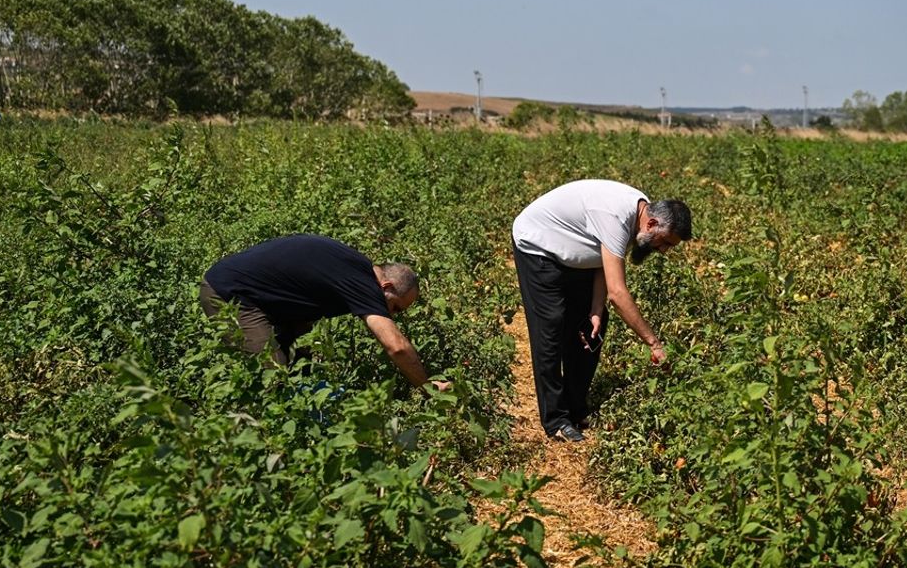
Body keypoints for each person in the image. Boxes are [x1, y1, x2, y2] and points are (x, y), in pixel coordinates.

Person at [511, 180, 692, 442]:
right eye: (665, 243)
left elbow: (602, 256)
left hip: (575, 254)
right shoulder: (616, 217)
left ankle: (576, 407)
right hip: (539, 246)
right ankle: (556, 420)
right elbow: (618, 294)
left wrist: (596, 307)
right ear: (652, 224)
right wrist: (653, 343)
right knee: (550, 327)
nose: (663, 251)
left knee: (593, 325)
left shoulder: (641, 215)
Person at [200, 234, 449, 391]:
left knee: (301, 368)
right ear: (387, 286)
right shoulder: (364, 283)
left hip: (267, 300)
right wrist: (428, 388)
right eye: (395, 307)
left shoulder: (358, 270)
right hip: (231, 293)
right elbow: (397, 347)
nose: (392, 315)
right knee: (274, 381)